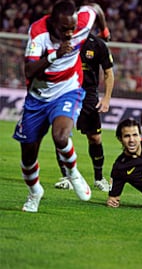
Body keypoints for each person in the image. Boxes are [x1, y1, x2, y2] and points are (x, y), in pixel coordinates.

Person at [13, 0, 110, 212]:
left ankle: (73, 172)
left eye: (71, 29)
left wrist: (103, 30)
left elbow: (95, 8)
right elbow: (29, 71)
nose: (68, 34)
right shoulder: (38, 33)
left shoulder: (83, 21)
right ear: (53, 23)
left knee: (61, 136)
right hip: (38, 97)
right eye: (63, 29)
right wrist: (56, 54)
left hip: (68, 89)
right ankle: (35, 192)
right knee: (28, 156)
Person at [54, 32, 114, 192]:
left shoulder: (98, 44)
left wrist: (107, 98)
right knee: (61, 134)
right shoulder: (62, 41)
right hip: (65, 90)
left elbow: (108, 72)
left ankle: (99, 178)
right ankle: (66, 176)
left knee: (95, 138)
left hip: (88, 93)